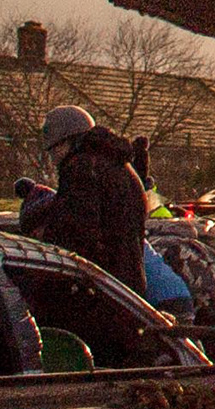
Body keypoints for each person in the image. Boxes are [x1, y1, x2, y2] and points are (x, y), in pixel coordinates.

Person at [30, 105, 150, 288]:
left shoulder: (83, 169)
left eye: (55, 149)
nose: (54, 159)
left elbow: (76, 232)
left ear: (69, 141)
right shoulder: (118, 165)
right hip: (127, 284)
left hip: (102, 285)